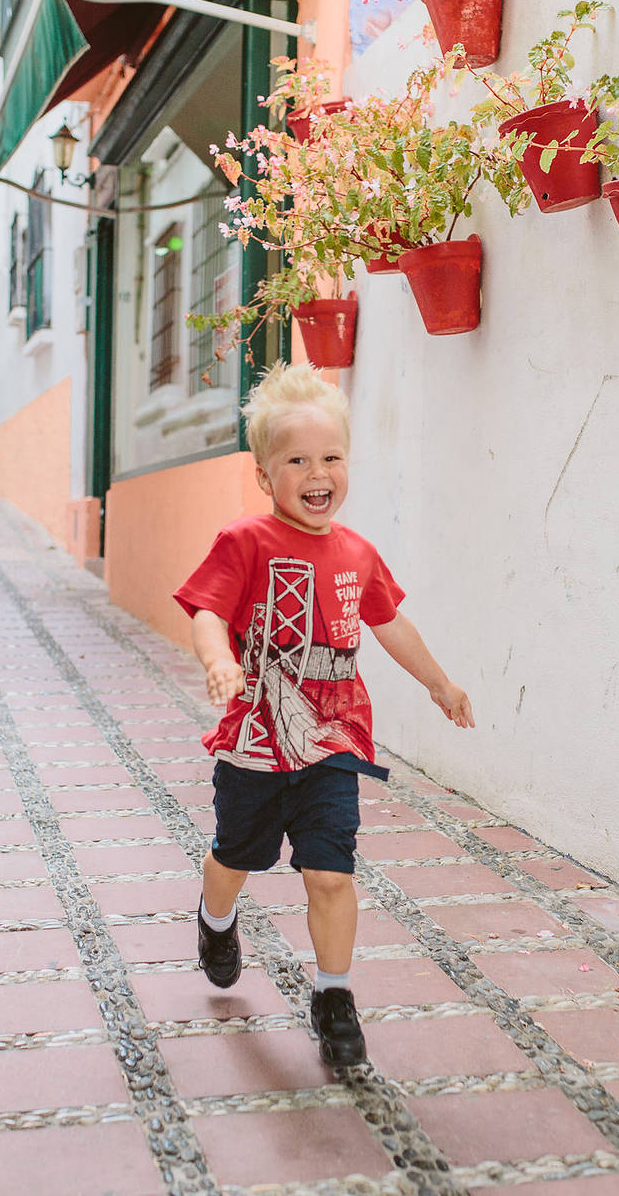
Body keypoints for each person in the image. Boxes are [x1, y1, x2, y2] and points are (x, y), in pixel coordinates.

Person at [172, 361, 475, 1068]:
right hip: (257, 737)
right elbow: (208, 612)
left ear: (348, 463)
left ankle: (334, 997)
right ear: (265, 474)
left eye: (331, 457)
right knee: (236, 853)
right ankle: (217, 919)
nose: (318, 472)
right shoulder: (244, 541)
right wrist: (218, 659)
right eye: (297, 460)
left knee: (331, 870)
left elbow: (390, 623)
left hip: (333, 737)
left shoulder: (357, 552)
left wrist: (440, 683)